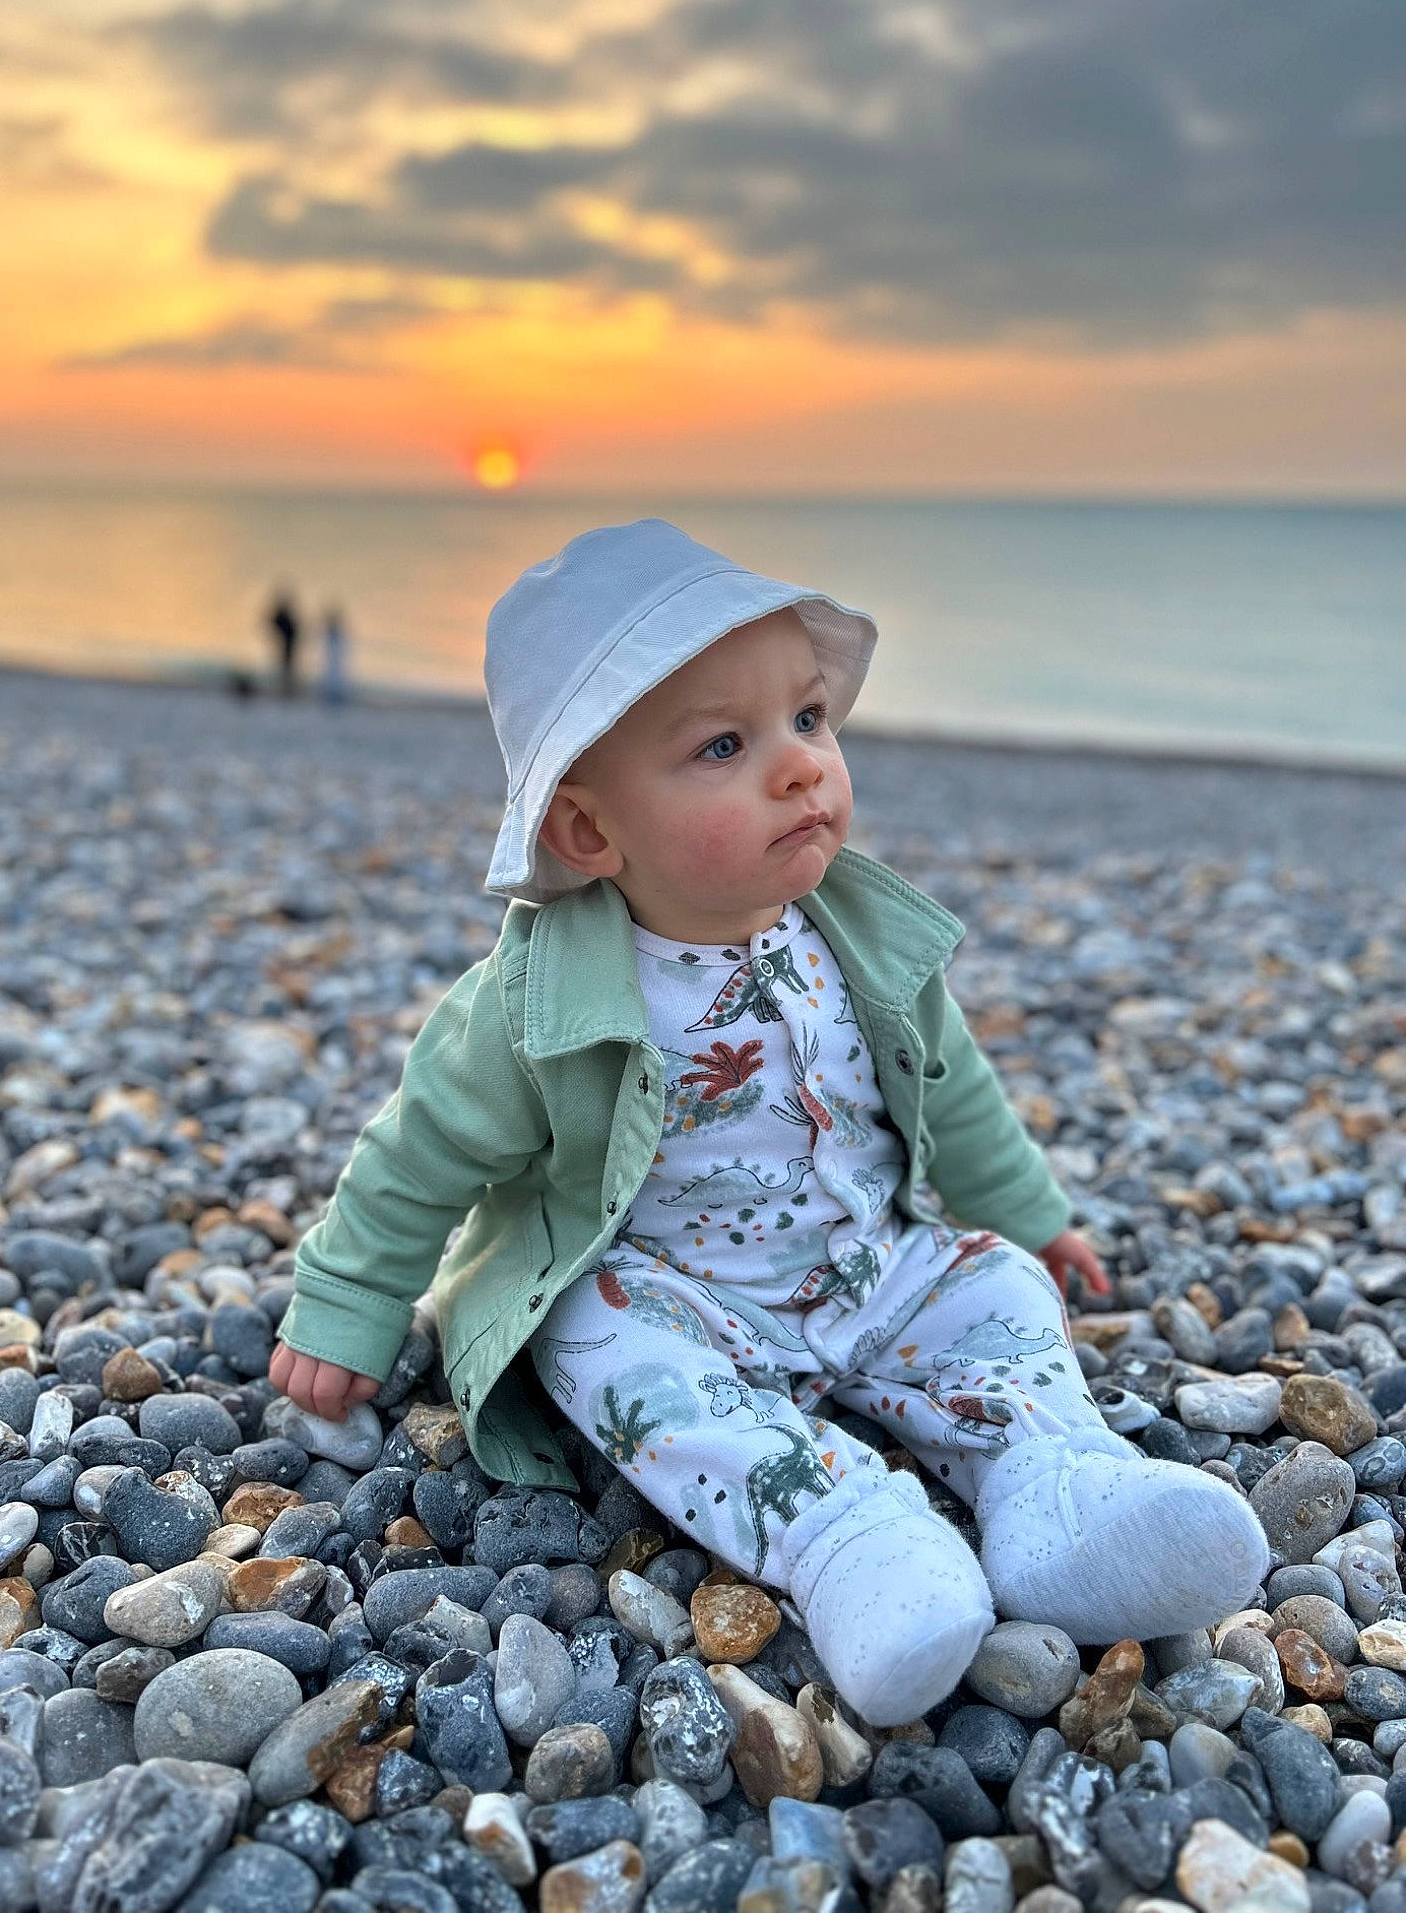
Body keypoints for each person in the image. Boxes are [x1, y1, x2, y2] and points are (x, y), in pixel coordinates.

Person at [267, 520, 1267, 1725]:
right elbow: (416, 1156)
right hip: (678, 1288)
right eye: (725, 745)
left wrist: (1027, 1214)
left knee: (995, 1286)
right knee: (595, 1344)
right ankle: (842, 1533)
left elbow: (955, 1083)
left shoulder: (856, 934)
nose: (800, 766)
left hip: (868, 1260)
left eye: (810, 719)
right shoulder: (538, 1004)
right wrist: (348, 1303)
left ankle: (1055, 1483)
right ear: (590, 830)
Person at [267, 591, 301, 696]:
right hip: (284, 646)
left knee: (288, 667)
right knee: (285, 667)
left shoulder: (286, 616)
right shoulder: (282, 615)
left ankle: (286, 689)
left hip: (289, 646)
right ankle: (284, 689)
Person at [321, 606, 349, 707]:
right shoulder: (331, 636)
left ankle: (334, 698)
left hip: (335, 668)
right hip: (332, 668)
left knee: (335, 679)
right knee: (332, 678)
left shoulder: (337, 636)